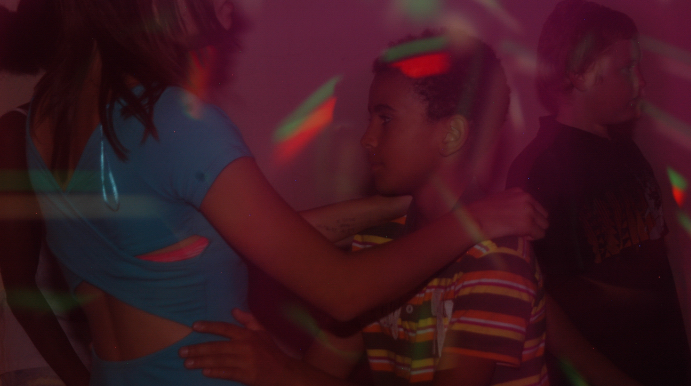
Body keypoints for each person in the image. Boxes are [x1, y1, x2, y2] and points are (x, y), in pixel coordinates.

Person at [25, 0, 543, 386]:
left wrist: (403, 207)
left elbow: (228, 235)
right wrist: (475, 220)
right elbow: (343, 291)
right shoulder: (177, 122)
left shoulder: (46, 118)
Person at [180, 31, 550, 386]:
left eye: (385, 119)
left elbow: (299, 377)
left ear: (451, 134)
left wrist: (282, 373)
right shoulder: (380, 239)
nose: (367, 139)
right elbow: (323, 367)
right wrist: (271, 367)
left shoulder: (495, 254)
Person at [506, 0, 691, 385]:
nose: (641, 82)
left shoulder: (628, 152)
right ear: (578, 73)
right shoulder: (539, 171)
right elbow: (538, 301)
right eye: (626, 68)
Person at [0, 0, 91, 386]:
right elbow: (20, 285)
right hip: (43, 360)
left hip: (109, 354)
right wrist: (81, 378)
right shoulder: (15, 133)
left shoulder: (111, 128)